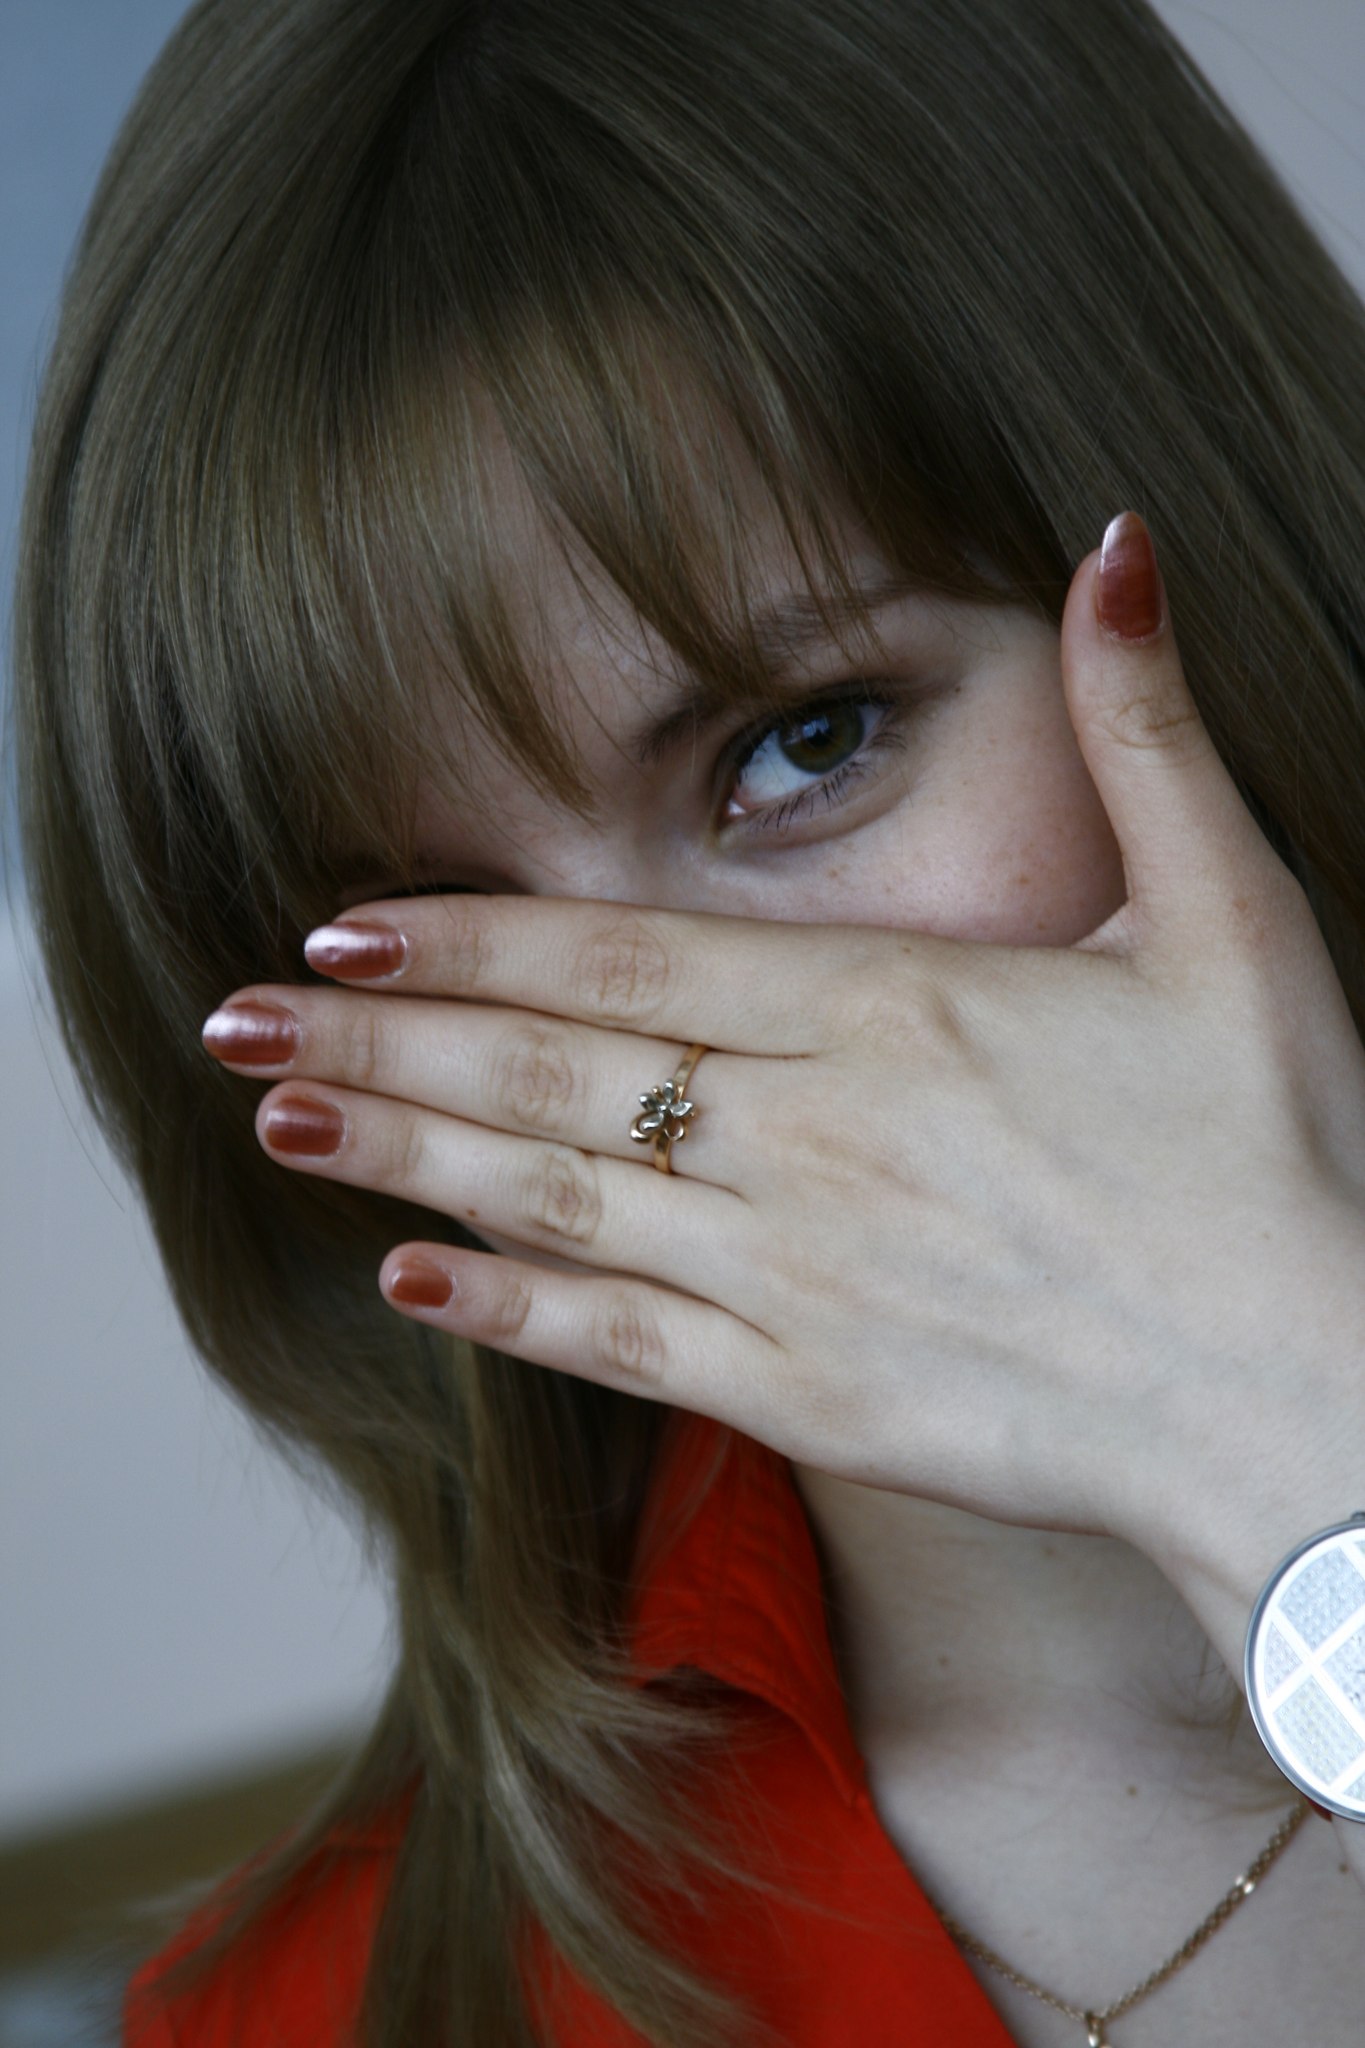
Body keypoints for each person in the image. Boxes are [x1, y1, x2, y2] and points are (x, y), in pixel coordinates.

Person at [11, 0, 1365, 2041]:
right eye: (438, 922)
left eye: (805, 742)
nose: (657, 1067)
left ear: (1211, 552)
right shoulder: (323, 2013)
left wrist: (1293, 1453)